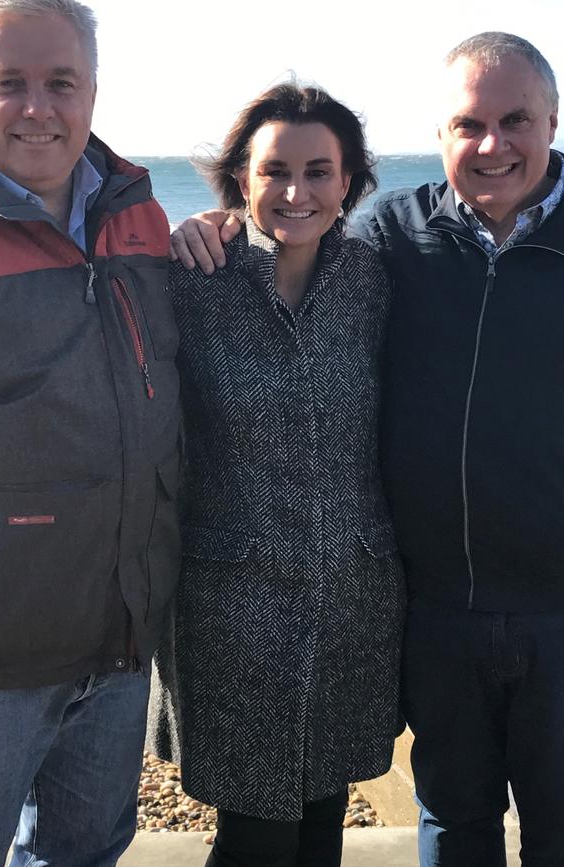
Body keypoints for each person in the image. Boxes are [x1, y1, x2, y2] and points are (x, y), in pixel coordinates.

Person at [171, 31, 563, 867]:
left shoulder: (378, 261)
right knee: (317, 835)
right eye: (468, 125)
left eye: (515, 120)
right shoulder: (222, 274)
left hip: (447, 604)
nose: (492, 145)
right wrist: (201, 226)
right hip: (324, 610)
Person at [0, 1, 181, 865]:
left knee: (86, 851)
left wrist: (224, 233)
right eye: (8, 83)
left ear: (94, 91)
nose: (38, 107)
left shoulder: (137, 213)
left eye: (60, 82)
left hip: (116, 646)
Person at [148, 82, 405, 867]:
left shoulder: (374, 281)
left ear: (351, 180)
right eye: (275, 171)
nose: (296, 192)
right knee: (254, 837)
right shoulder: (192, 278)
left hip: (353, 600)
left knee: (324, 818)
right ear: (241, 179)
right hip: (233, 609)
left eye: (319, 171)